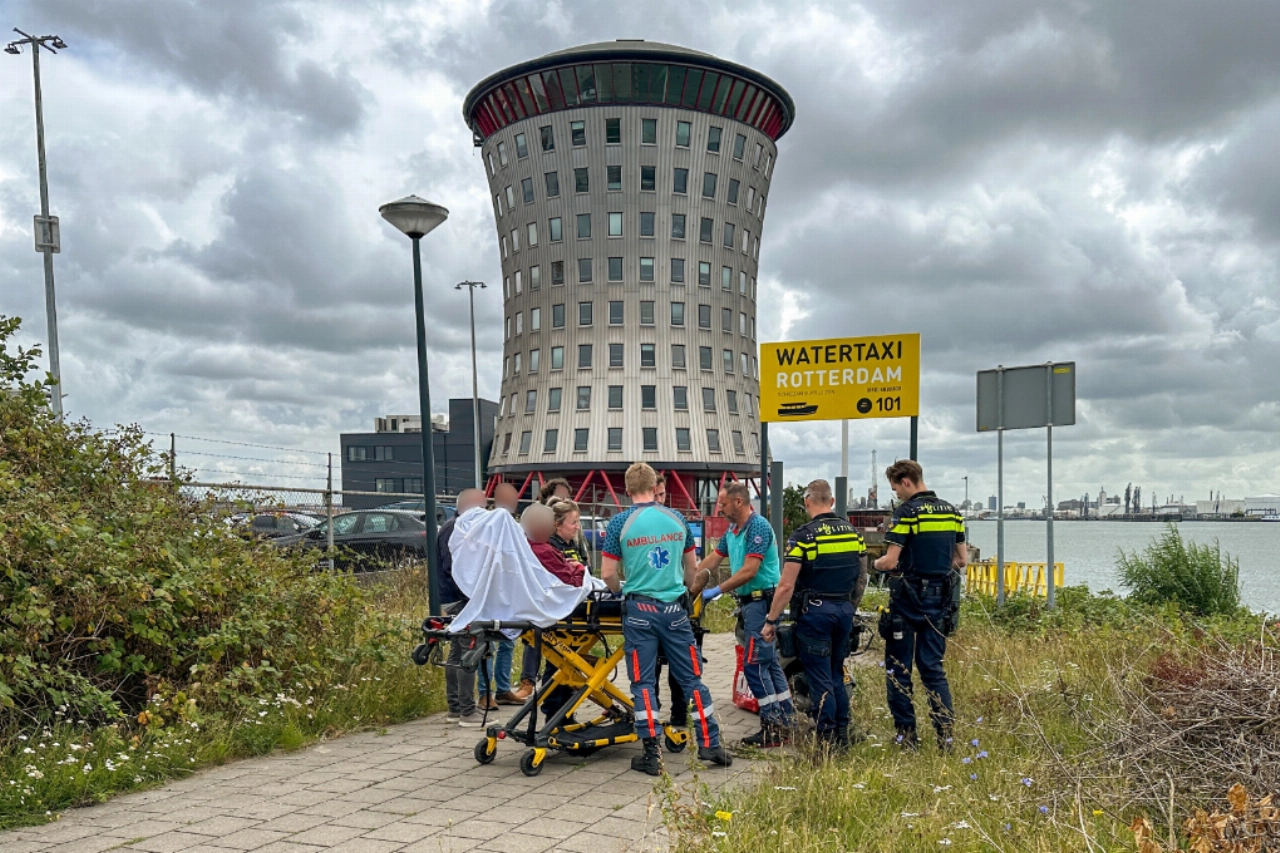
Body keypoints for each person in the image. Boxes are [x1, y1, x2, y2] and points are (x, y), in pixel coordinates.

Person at [601, 462, 733, 775]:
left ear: (628, 490)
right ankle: (710, 742)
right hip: (675, 611)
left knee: (643, 682)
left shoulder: (620, 522)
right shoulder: (677, 520)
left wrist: (622, 589)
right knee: (692, 679)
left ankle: (651, 753)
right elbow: (693, 570)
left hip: (639, 612)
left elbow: (607, 573)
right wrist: (683, 589)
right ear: (655, 487)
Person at [762, 480, 865, 752]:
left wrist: (771, 621)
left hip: (815, 613)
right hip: (843, 610)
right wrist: (849, 607)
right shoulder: (853, 533)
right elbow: (861, 577)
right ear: (830, 501)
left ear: (807, 501)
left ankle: (827, 740)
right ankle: (843, 733)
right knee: (837, 673)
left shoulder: (804, 536)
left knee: (819, 678)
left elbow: (786, 585)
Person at [872, 460, 967, 751]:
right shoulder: (952, 512)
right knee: (932, 668)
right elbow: (961, 560)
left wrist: (875, 565)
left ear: (907, 482)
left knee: (899, 668)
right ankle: (945, 737)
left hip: (908, 598)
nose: (897, 495)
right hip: (939, 599)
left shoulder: (908, 513)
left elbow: (889, 560)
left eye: (896, 489)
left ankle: (907, 737)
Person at [698, 482, 795, 747]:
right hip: (750, 604)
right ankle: (787, 721)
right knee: (770, 664)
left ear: (739, 502)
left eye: (723, 503)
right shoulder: (733, 530)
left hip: (760, 602)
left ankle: (772, 726)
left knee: (754, 665)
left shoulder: (758, 527)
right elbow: (713, 559)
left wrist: (715, 590)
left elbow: (750, 570)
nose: (720, 508)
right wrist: (690, 576)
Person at [439, 488, 490, 727]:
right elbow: (455, 568)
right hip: (461, 600)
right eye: (484, 506)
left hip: (451, 597)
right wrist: (472, 595)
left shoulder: (451, 527)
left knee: (457, 653)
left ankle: (455, 708)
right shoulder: (457, 529)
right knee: (470, 649)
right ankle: (467, 711)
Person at [486, 481, 534, 706]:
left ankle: (503, 689)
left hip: (509, 592)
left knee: (507, 641)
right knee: (489, 643)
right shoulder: (489, 525)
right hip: (491, 592)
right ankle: (485, 693)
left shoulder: (513, 527)